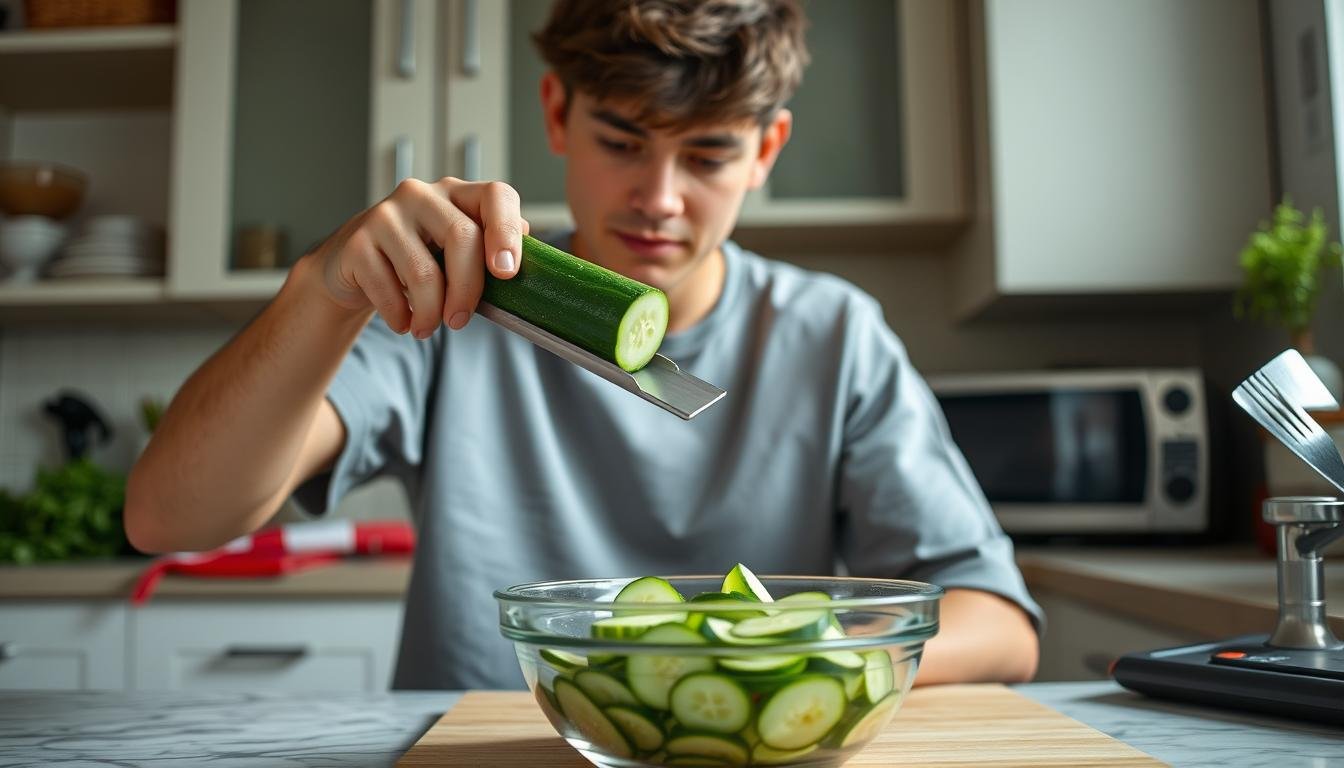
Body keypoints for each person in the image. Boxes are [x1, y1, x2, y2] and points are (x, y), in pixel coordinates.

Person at [125, 0, 1042, 690]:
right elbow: (168, 520)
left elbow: (999, 622)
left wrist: (768, 666)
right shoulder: (453, 302)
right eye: (622, 139)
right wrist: (322, 291)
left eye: (711, 155)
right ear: (557, 112)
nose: (662, 197)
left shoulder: (834, 334)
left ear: (768, 150)